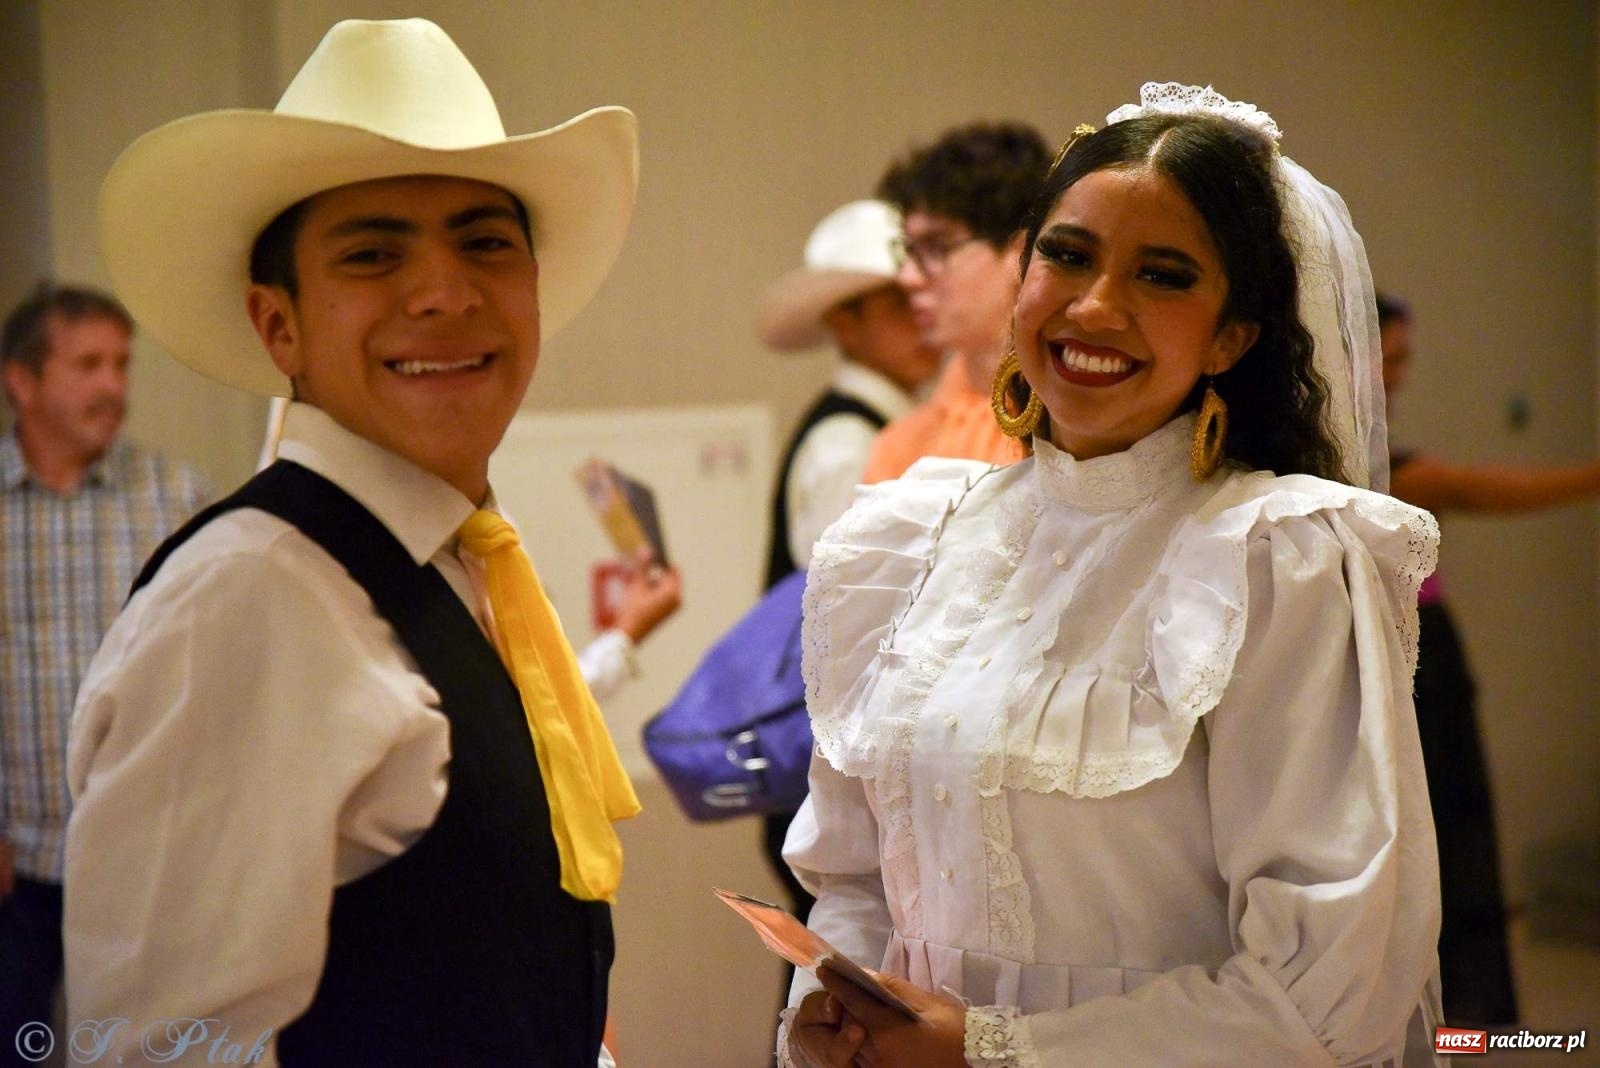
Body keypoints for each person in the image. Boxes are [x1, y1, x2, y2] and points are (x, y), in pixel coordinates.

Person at [780, 84, 1444, 1067]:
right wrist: (825, 1016)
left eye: (1163, 275)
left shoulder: (1272, 560)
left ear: (1232, 335)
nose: (1096, 306)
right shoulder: (903, 544)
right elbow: (852, 883)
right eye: (1067, 254)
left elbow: (1325, 996)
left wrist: (995, 1050)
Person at [64, 18, 640, 1066]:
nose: (444, 292)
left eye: (485, 242)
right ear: (277, 326)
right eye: (373, 254)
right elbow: (157, 1048)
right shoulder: (247, 596)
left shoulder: (459, 561)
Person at [0, 283, 209, 1059]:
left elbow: (215, 660)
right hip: (17, 859)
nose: (113, 386)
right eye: (87, 364)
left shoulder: (174, 498)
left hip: (146, 854)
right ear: (22, 381)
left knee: (151, 1049)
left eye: (121, 364)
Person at [1380, 290, 1600, 1027]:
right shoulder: (1382, 472)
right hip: (1403, 673)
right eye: (1393, 357)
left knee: (1447, 833)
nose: (1402, 374)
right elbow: (1483, 488)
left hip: (1431, 664)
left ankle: (1456, 1022)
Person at [755, 199, 941, 923]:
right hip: (829, 769)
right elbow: (854, 625)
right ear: (846, 321)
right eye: (895, 301)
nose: (920, 314)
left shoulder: (884, 428)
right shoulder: (846, 444)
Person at [859, 121, 1051, 483]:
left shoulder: (1079, 430)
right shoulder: (900, 445)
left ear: (1021, 252)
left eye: (937, 247)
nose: (908, 278)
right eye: (910, 250)